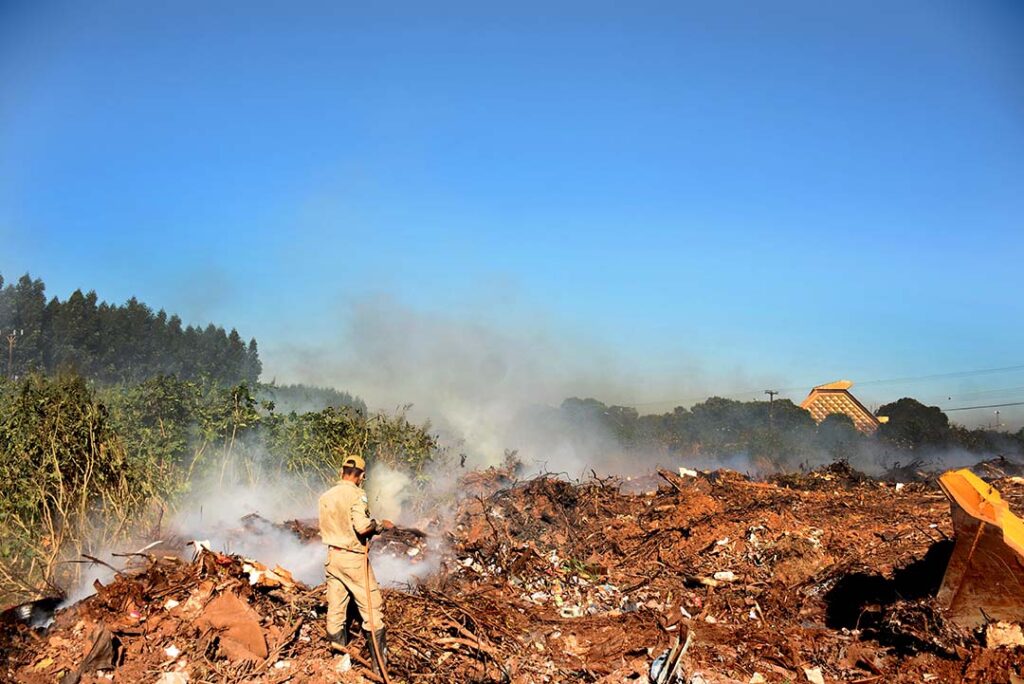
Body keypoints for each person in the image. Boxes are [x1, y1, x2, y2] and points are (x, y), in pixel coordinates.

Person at [318, 454, 394, 671]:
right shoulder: (357, 494)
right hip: (353, 558)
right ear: (361, 475)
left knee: (335, 611)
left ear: (341, 471)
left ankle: (338, 663)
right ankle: (379, 668)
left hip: (333, 557)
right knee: (373, 610)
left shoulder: (325, 496)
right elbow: (362, 527)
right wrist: (379, 525)